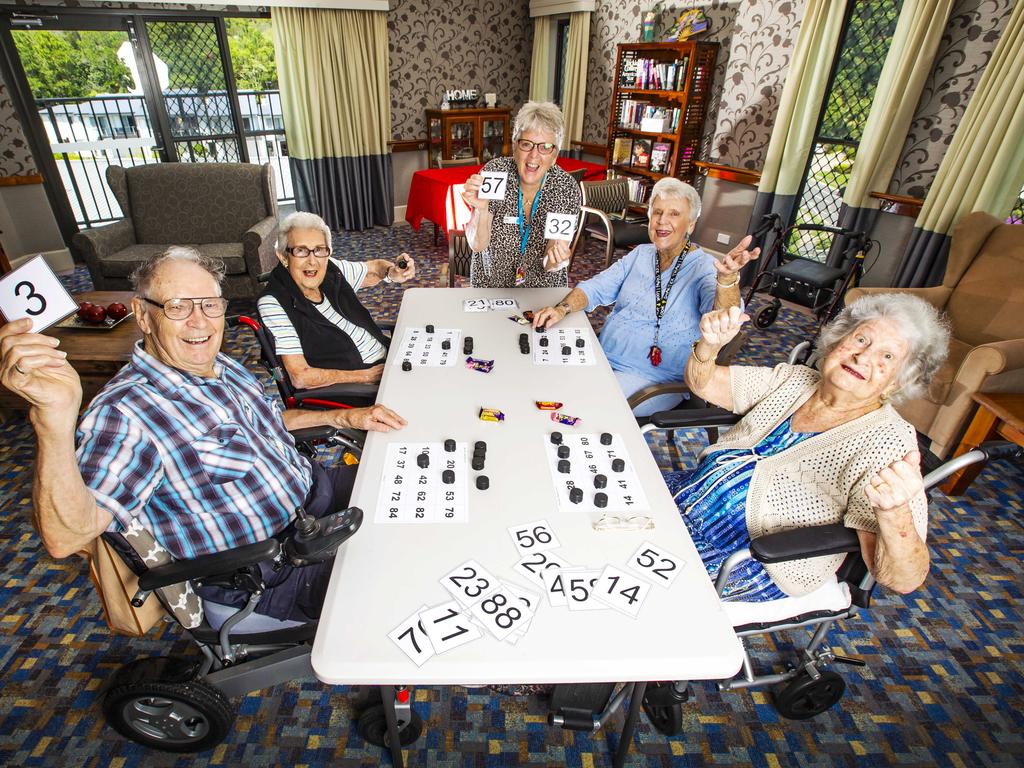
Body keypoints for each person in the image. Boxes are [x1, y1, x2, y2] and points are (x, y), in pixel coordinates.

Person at [0, 247, 407, 623]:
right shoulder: (126, 414)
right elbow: (64, 537)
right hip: (273, 569)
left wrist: (348, 418)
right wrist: (52, 418)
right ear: (143, 315)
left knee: (424, 490)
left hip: (313, 494)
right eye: (177, 307)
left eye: (210, 305)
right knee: (408, 581)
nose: (200, 322)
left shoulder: (221, 365)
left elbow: (268, 422)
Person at [670, 294, 950, 601]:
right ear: (836, 341)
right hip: (684, 498)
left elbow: (904, 580)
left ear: (898, 382)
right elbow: (705, 383)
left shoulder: (888, 444)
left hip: (745, 557)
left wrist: (894, 512)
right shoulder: (797, 380)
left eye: (887, 357)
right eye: (860, 339)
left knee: (625, 579)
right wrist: (709, 346)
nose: (863, 356)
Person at [533, 177, 760, 416]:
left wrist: (726, 280)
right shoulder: (641, 254)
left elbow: (724, 316)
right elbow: (595, 287)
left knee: (574, 403)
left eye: (674, 214)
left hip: (653, 380)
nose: (663, 221)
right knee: (542, 376)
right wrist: (562, 309)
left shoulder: (703, 267)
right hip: (601, 357)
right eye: (658, 212)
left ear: (691, 224)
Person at [258, 211, 415, 389]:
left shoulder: (330, 267)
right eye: (301, 251)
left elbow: (373, 269)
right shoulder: (273, 302)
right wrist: (366, 376)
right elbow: (300, 376)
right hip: (359, 387)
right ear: (283, 256)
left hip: (387, 361)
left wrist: (391, 272)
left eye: (319, 250)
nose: (312, 261)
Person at [461, 101, 583, 288]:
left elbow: (550, 261)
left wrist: (557, 259)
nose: (534, 155)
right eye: (527, 144)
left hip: (541, 291)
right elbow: (478, 245)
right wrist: (481, 210)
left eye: (545, 147)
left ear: (555, 155)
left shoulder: (565, 187)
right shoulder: (495, 172)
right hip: (492, 288)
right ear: (515, 147)